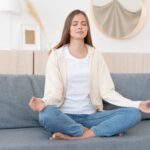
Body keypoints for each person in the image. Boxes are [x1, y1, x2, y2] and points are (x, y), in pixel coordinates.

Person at [28, 9, 150, 140]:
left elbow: (107, 92)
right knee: (46, 115)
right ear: (68, 28)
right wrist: (43, 102)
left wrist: (137, 104)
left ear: (87, 29)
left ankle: (80, 134)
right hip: (64, 116)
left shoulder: (96, 55)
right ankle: (91, 131)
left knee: (133, 114)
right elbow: (54, 93)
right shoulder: (56, 56)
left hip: (92, 117)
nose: (80, 26)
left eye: (84, 24)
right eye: (75, 24)